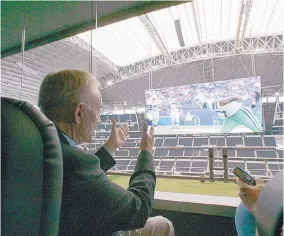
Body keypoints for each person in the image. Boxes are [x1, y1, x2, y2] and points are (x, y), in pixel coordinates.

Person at [38, 69, 175, 236]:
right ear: (79, 113)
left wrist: (110, 146)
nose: (99, 119)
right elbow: (138, 210)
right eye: (97, 110)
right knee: (164, 225)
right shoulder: (76, 161)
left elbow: (77, 179)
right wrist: (146, 151)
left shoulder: (41, 148)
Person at [194, 94, 263, 133]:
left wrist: (234, 97)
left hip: (240, 112)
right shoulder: (209, 104)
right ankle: (223, 149)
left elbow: (221, 102)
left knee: (258, 130)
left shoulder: (210, 103)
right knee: (224, 132)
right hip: (231, 117)